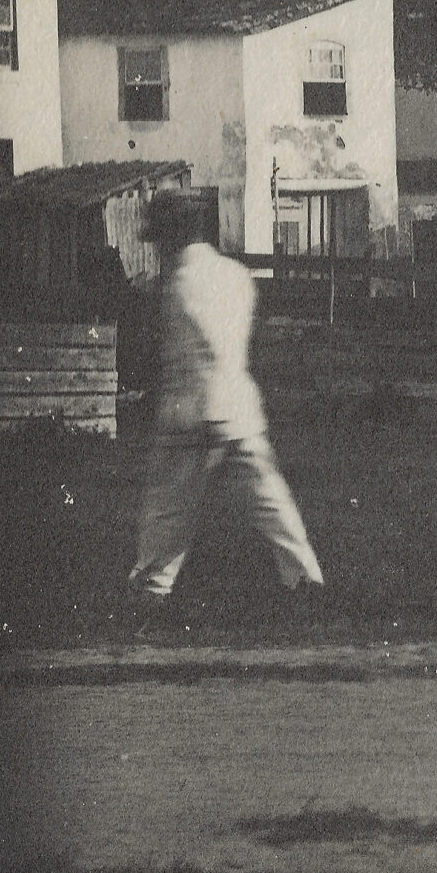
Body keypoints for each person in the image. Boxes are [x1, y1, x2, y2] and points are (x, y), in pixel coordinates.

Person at [127, 190, 325, 617]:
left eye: (160, 239)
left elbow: (174, 356)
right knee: (270, 501)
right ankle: (306, 580)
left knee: (168, 507)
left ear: (171, 238)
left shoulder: (176, 286)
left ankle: (151, 590)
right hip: (238, 408)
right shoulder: (237, 275)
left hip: (190, 412)